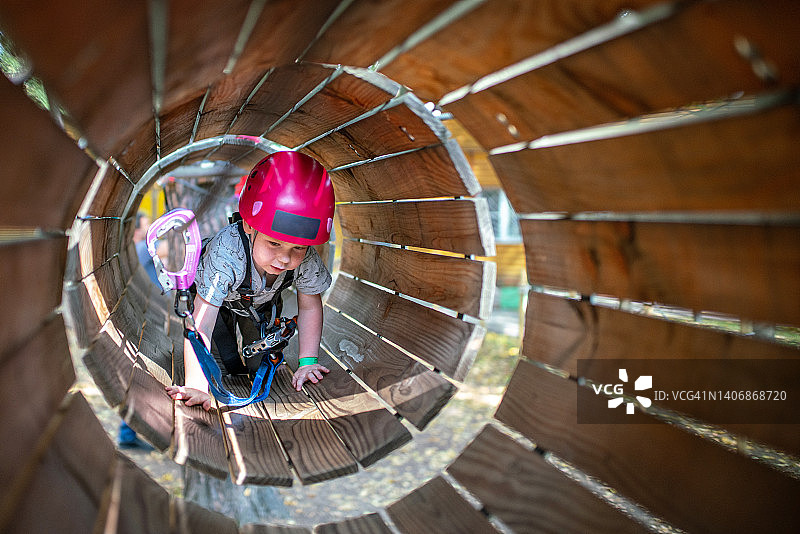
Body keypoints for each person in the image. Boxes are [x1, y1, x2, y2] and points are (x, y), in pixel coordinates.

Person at [166, 151, 334, 412]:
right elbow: (202, 321)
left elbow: (310, 307)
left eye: (298, 248)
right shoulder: (226, 254)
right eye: (274, 243)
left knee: (259, 366)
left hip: (260, 304)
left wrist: (307, 362)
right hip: (217, 301)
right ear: (249, 226)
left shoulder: (306, 258)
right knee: (222, 364)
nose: (285, 258)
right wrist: (197, 385)